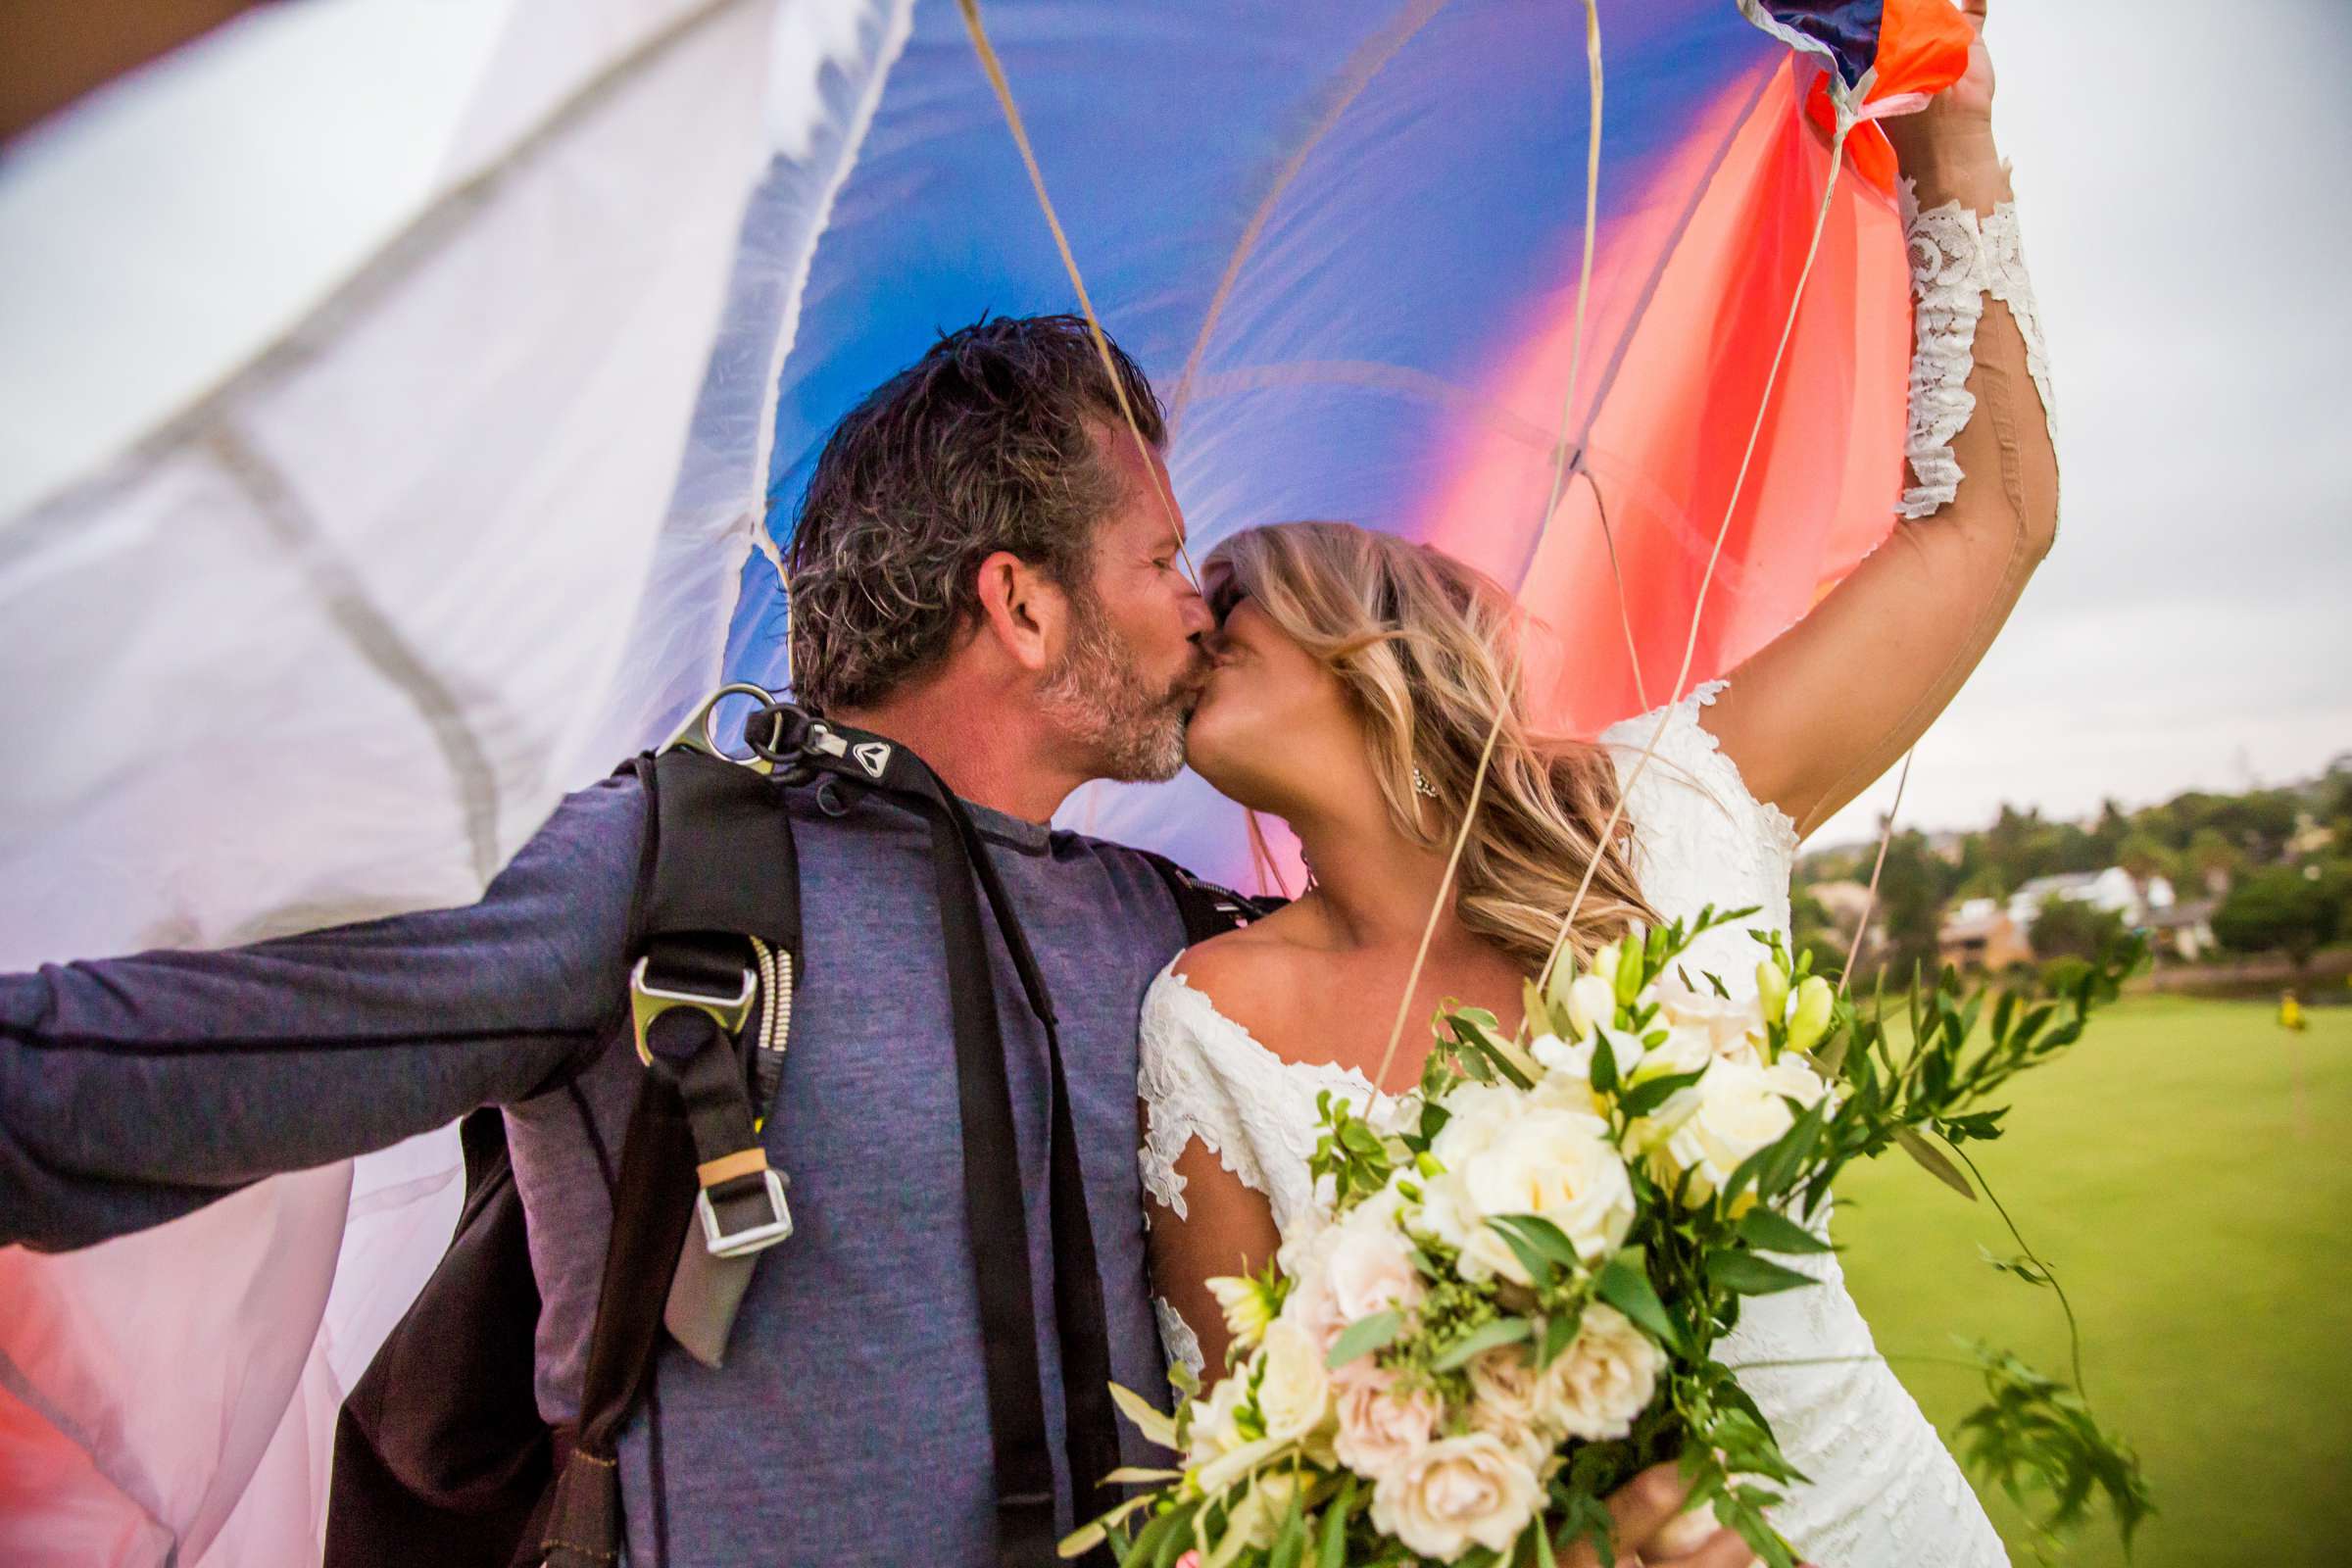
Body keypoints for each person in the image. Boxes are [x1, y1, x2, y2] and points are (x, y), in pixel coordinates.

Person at [0, 317, 1748, 1566]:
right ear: (1021, 600)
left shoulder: (1170, 938)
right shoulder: (668, 866)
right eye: (1160, 557)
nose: (1194, 606)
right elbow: (177, 1067)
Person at [1139, 5, 2050, 1563]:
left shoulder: (1676, 801)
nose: (1191, 614)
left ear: (1380, 632)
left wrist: (1950, 130)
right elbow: (1247, 1496)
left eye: (1234, 586)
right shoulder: (1206, 1022)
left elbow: (1988, 525)